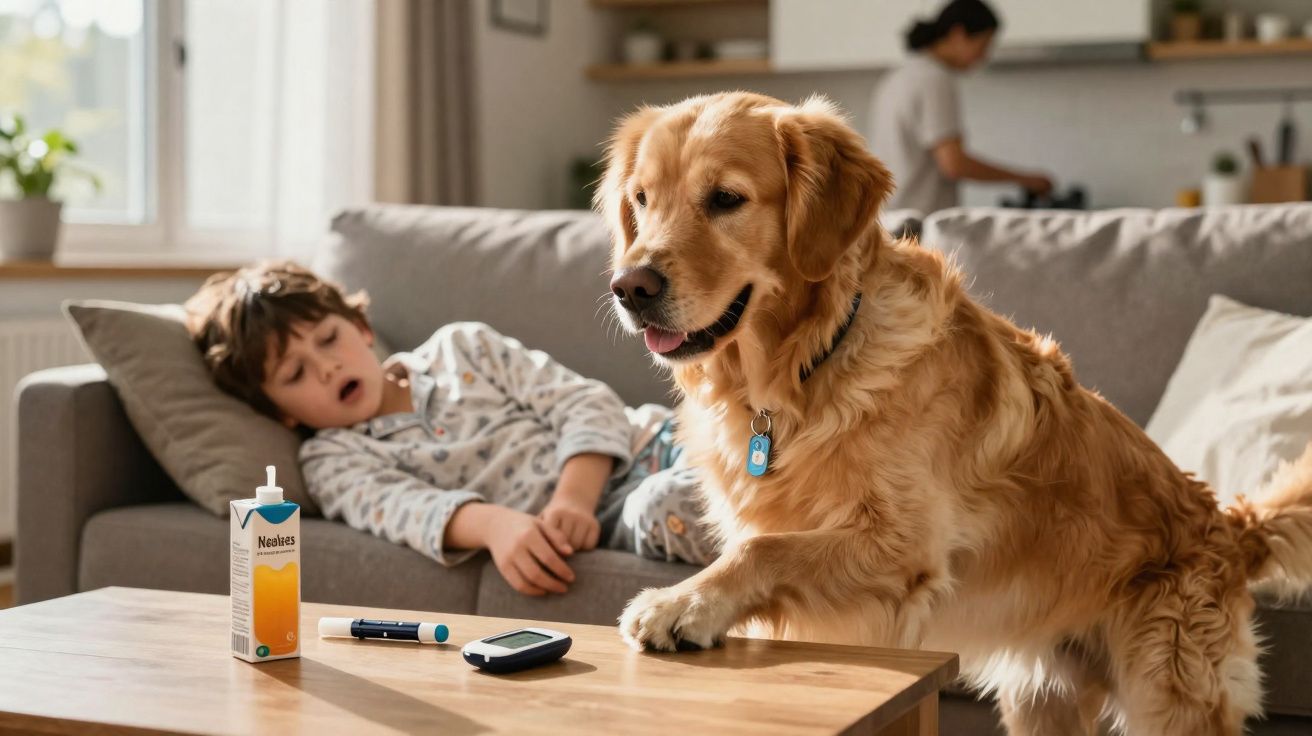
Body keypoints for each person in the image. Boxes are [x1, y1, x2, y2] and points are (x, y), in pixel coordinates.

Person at [185, 261, 716, 596]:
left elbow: (584, 403)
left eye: (327, 340)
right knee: (672, 505)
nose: (325, 368)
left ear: (361, 328)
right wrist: (494, 526)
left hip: (657, 443)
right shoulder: (332, 461)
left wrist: (573, 499)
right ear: (282, 413)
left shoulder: (462, 348)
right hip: (631, 516)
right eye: (295, 373)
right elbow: (409, 511)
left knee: (749, 443)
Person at [869, 0, 1054, 214]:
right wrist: (1025, 179)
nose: (984, 56)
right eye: (983, 45)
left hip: (889, 216)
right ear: (958, 33)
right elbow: (953, 164)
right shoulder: (934, 79)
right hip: (917, 222)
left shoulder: (898, 76)